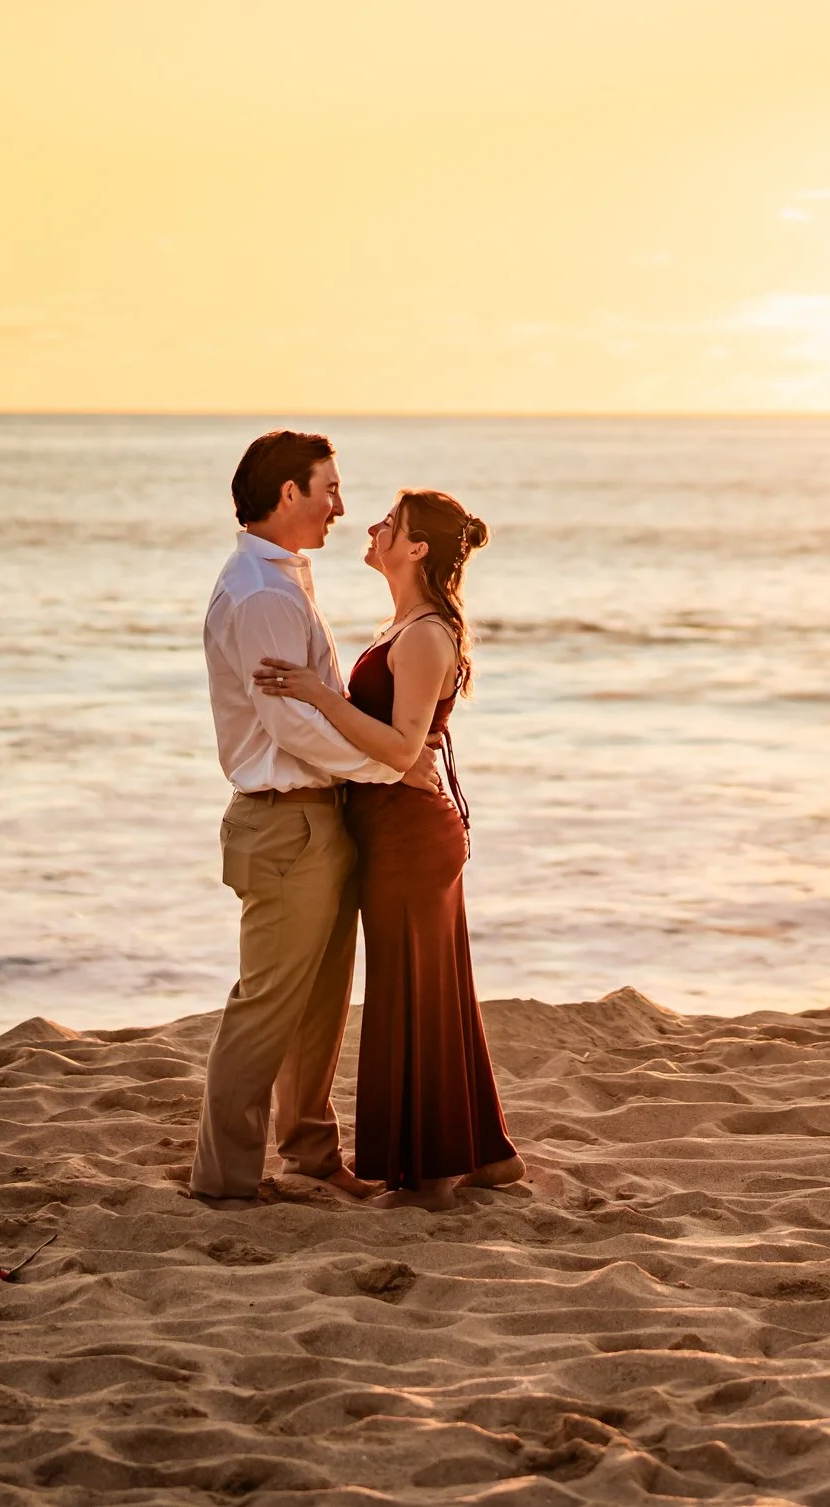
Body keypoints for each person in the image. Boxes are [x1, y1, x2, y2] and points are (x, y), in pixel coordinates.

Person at [255, 489, 523, 1211]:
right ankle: (486, 1156)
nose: (371, 528)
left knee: (415, 993)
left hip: (409, 833)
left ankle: (433, 1172)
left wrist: (316, 693)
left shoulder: (426, 634)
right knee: (432, 991)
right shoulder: (406, 625)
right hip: (395, 826)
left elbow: (403, 746)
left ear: (417, 549)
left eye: (389, 524)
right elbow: (404, 744)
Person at [189, 431, 397, 1204]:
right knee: (266, 1004)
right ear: (287, 494)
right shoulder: (263, 593)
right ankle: (224, 1178)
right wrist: (388, 764)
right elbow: (292, 728)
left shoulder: (281, 578)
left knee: (319, 1002)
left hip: (316, 817)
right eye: (329, 489)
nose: (341, 504)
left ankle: (310, 1153)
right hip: (284, 823)